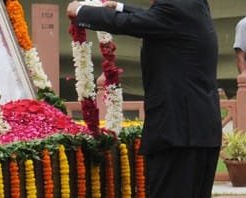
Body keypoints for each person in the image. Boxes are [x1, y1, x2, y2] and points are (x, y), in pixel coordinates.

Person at [67, 0, 221, 197]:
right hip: (199, 131)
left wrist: (81, 11)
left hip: (178, 133)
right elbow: (147, 18)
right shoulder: (192, 5)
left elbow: (128, 24)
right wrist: (121, 7)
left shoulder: (174, 9)